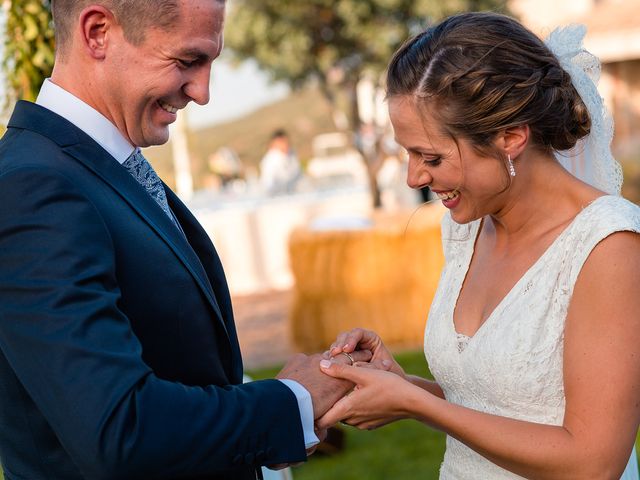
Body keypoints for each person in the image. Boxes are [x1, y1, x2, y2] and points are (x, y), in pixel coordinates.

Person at [0, 1, 368, 479]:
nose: (203, 92)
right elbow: (118, 428)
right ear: (97, 33)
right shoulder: (32, 186)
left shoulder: (99, 168)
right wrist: (291, 403)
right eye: (187, 61)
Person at [316, 12, 640, 479]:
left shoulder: (607, 247)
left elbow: (592, 462)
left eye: (431, 157)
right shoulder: (466, 227)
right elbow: (498, 406)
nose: (414, 178)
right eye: (407, 153)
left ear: (511, 137)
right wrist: (402, 387)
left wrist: (414, 404)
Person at [259, 129, 301, 195]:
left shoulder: (292, 154)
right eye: (281, 142)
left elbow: (299, 176)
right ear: (274, 144)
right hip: (277, 197)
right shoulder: (270, 160)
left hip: (293, 194)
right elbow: (268, 184)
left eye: (285, 141)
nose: (284, 144)